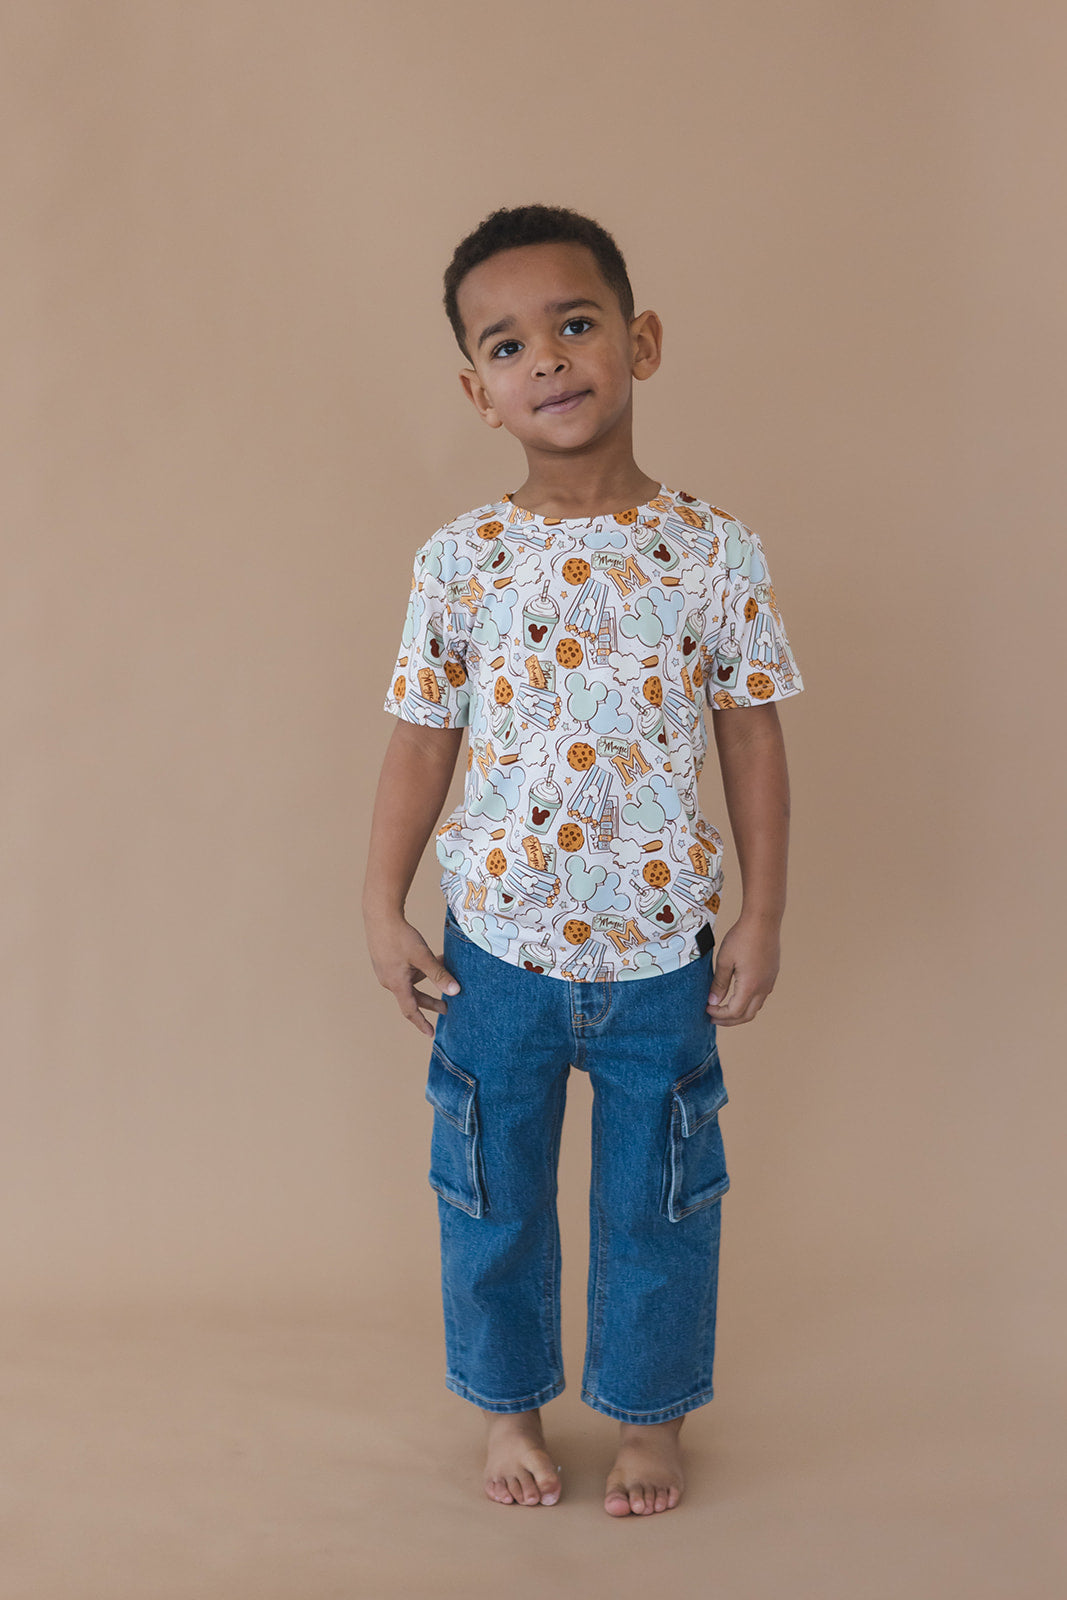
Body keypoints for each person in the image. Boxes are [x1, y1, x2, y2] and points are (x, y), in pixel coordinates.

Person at [363, 203, 805, 1517]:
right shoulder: (463, 561)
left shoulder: (713, 551)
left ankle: (648, 1420)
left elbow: (753, 739)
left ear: (639, 341)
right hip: (496, 956)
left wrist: (763, 914)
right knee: (492, 1200)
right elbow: (420, 742)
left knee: (659, 1206)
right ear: (477, 391)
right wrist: (382, 906)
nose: (547, 359)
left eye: (575, 324)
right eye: (508, 346)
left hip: (661, 960)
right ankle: (509, 1411)